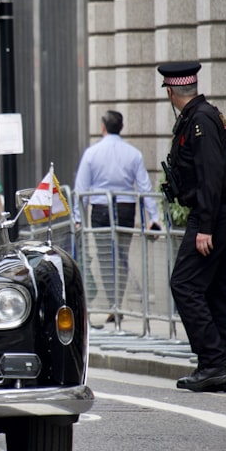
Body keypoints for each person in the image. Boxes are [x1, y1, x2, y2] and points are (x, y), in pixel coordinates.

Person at [158, 61, 226, 393]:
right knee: (214, 290)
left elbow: (211, 175)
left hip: (212, 215)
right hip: (216, 213)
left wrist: (205, 225)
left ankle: (212, 363)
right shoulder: (202, 116)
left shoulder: (200, 121)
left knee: (184, 284)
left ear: (170, 91)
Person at [73, 110, 160, 323]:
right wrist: (153, 217)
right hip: (125, 209)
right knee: (121, 255)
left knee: (105, 258)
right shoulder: (133, 154)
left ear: (103, 127)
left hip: (101, 209)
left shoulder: (92, 153)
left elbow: (81, 189)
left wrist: (78, 217)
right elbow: (145, 187)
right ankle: (117, 304)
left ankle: (114, 303)